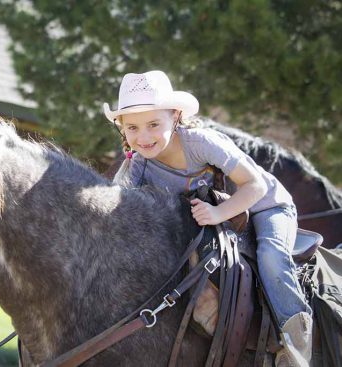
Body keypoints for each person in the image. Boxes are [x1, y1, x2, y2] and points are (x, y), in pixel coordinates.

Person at [103, 70, 312, 367]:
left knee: (271, 258)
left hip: (265, 207)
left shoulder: (199, 143)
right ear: (122, 129)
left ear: (175, 117)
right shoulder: (139, 168)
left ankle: (297, 345)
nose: (144, 136)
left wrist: (216, 213)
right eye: (133, 128)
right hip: (219, 223)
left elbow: (256, 186)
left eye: (153, 124)